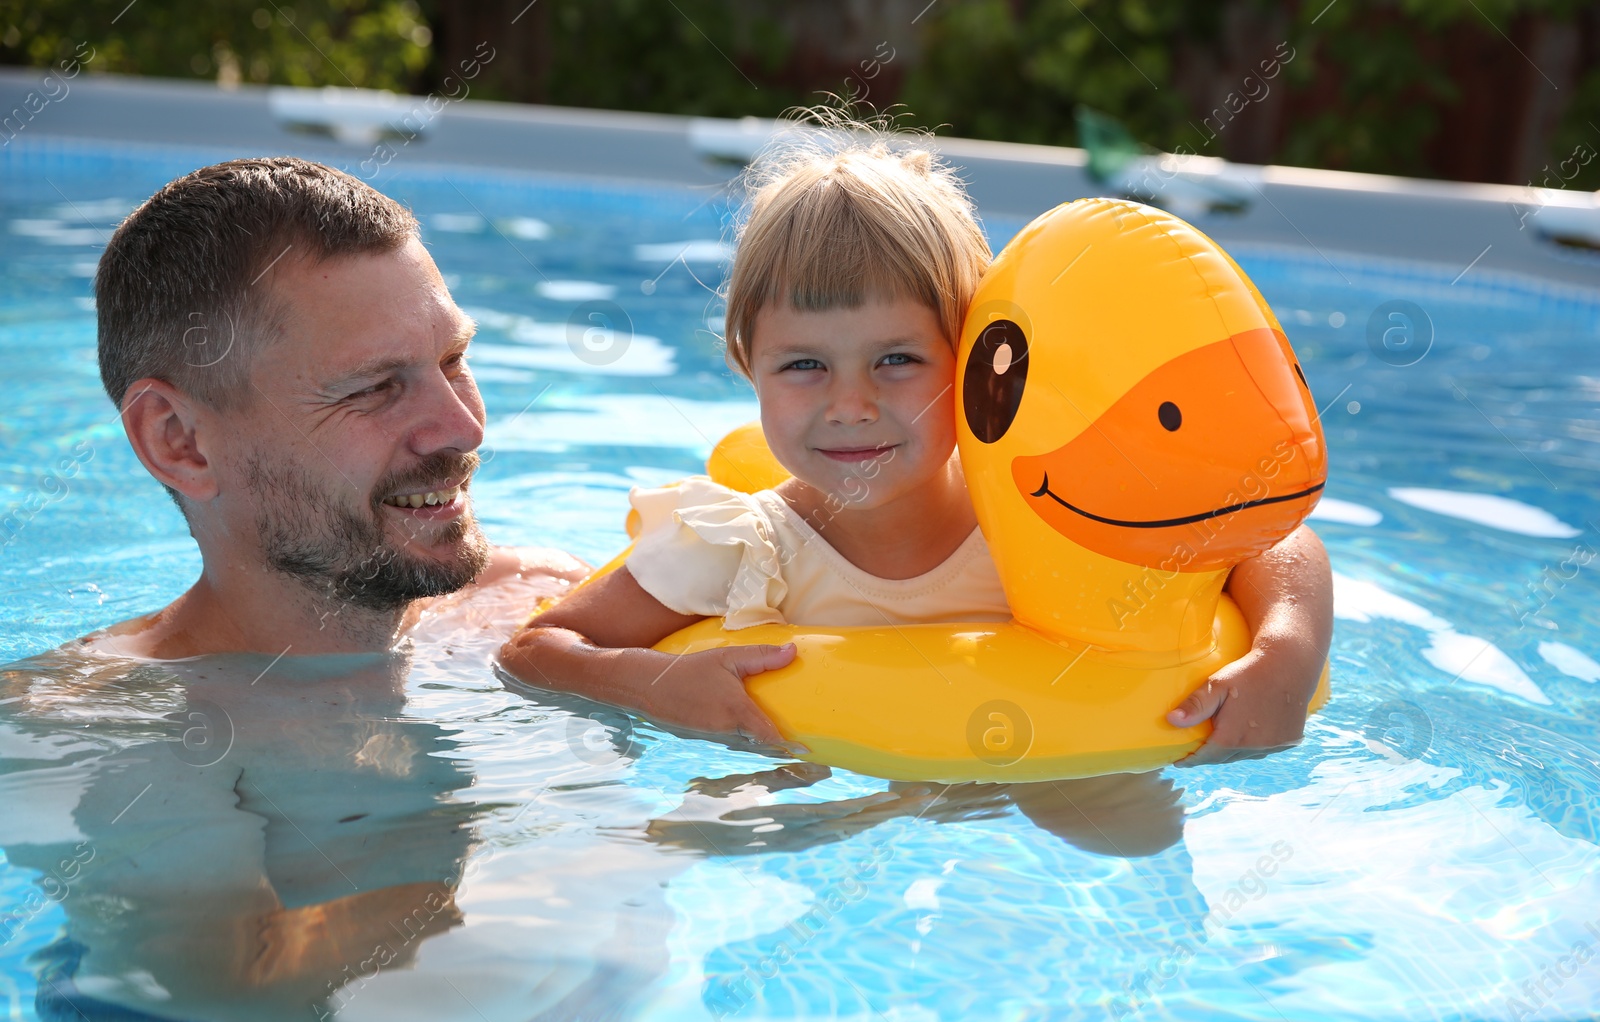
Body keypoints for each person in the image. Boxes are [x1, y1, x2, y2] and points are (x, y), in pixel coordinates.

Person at [499, 133, 1333, 763]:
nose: (851, 405)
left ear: (971, 362)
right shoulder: (738, 547)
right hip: (824, 804)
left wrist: (1284, 654)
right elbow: (536, 649)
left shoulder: (1032, 517)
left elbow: (1266, 536)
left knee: (1128, 833)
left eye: (897, 360)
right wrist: (654, 683)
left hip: (1034, 774)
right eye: (804, 366)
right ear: (747, 365)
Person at [82, 156, 587, 660]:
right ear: (180, 442)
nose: (465, 428)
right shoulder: (82, 726)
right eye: (374, 387)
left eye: (452, 360)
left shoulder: (543, 601)